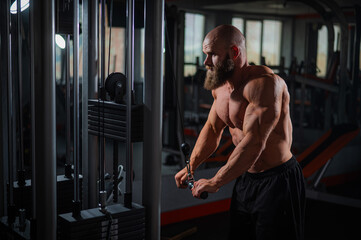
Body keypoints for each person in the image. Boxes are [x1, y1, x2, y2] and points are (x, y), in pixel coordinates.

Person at [175, 25, 305, 240]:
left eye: (213, 54)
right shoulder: (220, 88)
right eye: (205, 54)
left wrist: (216, 181)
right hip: (247, 178)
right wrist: (191, 166)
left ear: (234, 53)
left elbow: (255, 142)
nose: (206, 62)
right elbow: (213, 128)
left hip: (278, 181)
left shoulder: (264, 85)